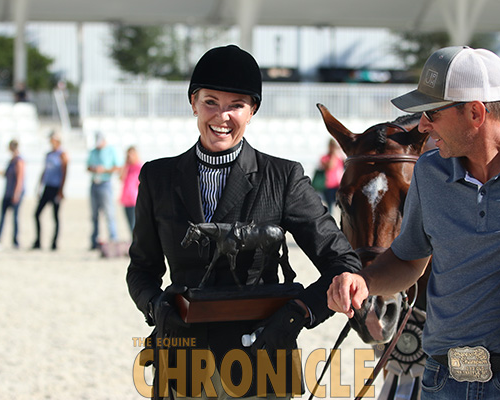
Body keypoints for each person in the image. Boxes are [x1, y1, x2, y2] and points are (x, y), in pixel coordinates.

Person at [126, 44, 361, 400]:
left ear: (252, 111)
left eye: (236, 105)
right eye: (210, 102)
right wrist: (154, 306)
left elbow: (343, 263)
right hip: (182, 363)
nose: (222, 116)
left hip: (262, 363)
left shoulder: (283, 177)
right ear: (193, 103)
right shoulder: (157, 177)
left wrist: (299, 313)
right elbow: (142, 269)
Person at [327, 46, 500, 398]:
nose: (422, 125)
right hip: (441, 379)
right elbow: (408, 260)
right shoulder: (429, 172)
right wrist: (365, 281)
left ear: (475, 113)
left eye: (432, 112)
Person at [32, 130, 68, 251]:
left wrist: (61, 190)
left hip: (56, 188)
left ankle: (54, 243)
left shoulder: (62, 154)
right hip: (47, 187)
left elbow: (64, 173)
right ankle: (38, 241)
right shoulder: (48, 155)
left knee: (55, 216)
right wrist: (39, 186)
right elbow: (45, 171)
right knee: (37, 214)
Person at [87, 131, 122, 250]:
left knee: (109, 213)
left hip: (106, 184)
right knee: (94, 215)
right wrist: (94, 169)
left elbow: (118, 167)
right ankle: (94, 241)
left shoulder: (111, 150)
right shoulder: (93, 151)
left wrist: (104, 170)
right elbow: (87, 166)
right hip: (94, 183)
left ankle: (113, 239)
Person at [0, 139, 25, 251]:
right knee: (2, 217)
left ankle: (15, 241)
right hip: (7, 192)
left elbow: (20, 179)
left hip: (14, 193)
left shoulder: (19, 161)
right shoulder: (11, 161)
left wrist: (16, 193)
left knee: (15, 218)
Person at [119, 145, 142, 232]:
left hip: (135, 199)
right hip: (126, 199)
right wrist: (125, 165)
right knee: (130, 224)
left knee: (135, 224)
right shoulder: (127, 167)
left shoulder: (139, 167)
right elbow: (121, 178)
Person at [319, 138, 344, 215]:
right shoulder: (325, 158)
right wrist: (333, 155)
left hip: (338, 185)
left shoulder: (339, 158)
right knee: (330, 206)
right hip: (328, 185)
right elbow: (330, 166)